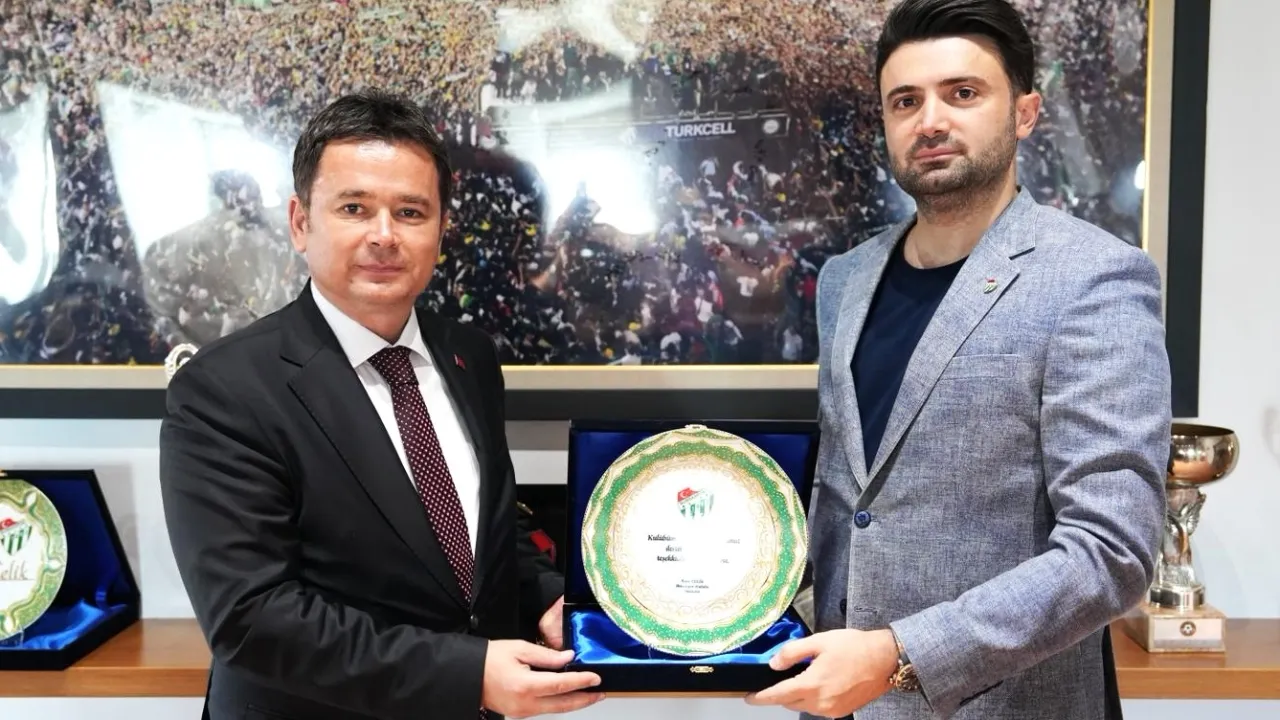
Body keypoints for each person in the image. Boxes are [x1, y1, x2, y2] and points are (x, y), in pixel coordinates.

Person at [746, 1, 1170, 718]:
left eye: (963, 93)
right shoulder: (846, 279)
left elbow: (1111, 552)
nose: (930, 120)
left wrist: (900, 654)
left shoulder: (1095, 276)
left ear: (1025, 112)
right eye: (905, 101)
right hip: (840, 704)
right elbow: (846, 502)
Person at [158, 90, 605, 720]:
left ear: (441, 230)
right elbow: (252, 618)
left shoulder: (469, 356)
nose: (384, 236)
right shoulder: (222, 389)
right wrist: (468, 674)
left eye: (411, 212)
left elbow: (480, 530)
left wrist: (551, 600)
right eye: (354, 208)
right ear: (300, 222)